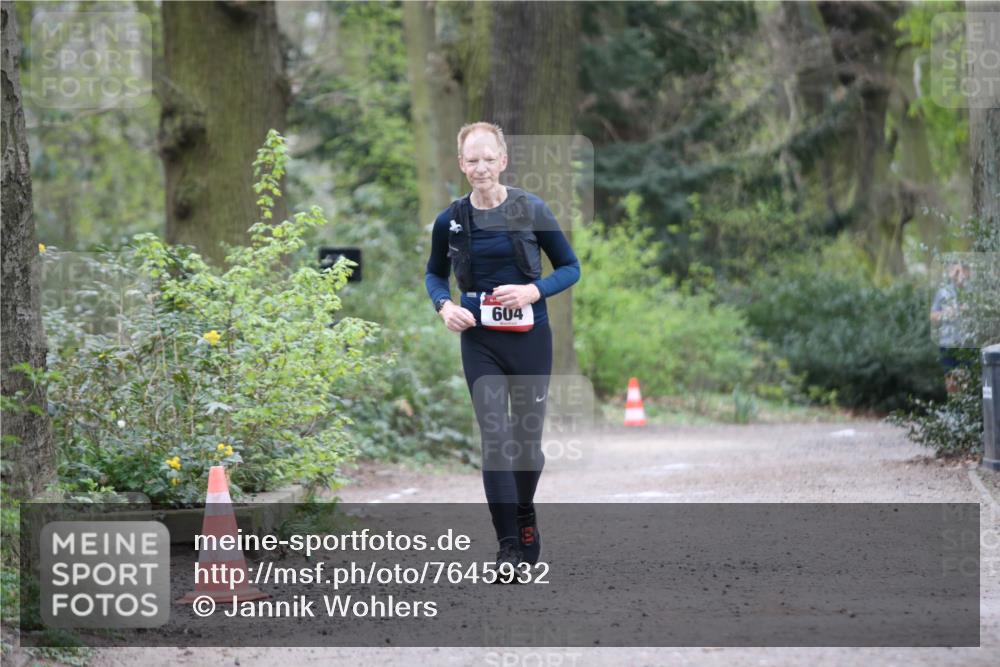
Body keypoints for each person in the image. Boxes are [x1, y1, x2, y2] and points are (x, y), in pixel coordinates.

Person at [424, 122, 580, 571]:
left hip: (531, 338)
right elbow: (434, 273)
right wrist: (443, 306)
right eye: (472, 160)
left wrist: (535, 291)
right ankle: (508, 545)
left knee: (526, 444)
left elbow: (570, 267)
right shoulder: (450, 220)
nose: (481, 167)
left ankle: (525, 510)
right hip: (480, 341)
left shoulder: (531, 209)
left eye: (489, 159)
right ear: (461, 164)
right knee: (495, 439)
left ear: (503, 160)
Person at [930, 261, 971, 394]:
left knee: (966, 378)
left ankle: (966, 410)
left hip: (967, 344)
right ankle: (954, 409)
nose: (958, 274)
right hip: (947, 342)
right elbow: (933, 316)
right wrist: (947, 314)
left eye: (961, 271)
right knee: (950, 379)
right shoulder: (943, 292)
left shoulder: (971, 293)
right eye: (955, 271)